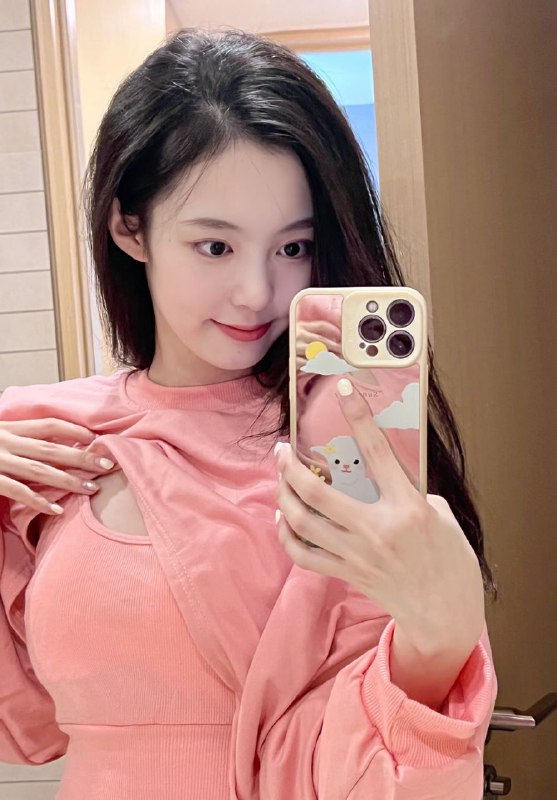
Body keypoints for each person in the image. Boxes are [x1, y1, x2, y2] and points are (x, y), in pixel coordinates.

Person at [0, 28, 497, 800]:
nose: (257, 294)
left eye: (293, 248)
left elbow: (364, 769)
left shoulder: (344, 445)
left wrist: (440, 638)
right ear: (130, 226)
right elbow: (22, 728)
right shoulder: (45, 439)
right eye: (215, 247)